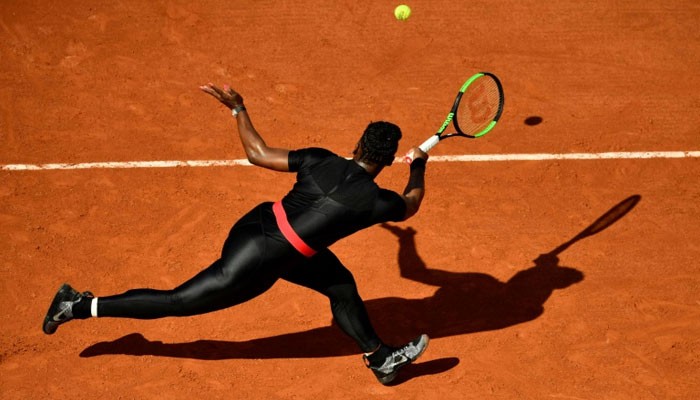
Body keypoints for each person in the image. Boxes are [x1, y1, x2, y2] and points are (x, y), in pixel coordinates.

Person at [42, 83, 430, 385]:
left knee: (340, 284)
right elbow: (411, 202)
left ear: (358, 145)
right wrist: (417, 165)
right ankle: (76, 306)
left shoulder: (320, 159)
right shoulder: (377, 202)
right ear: (387, 160)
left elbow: (257, 153)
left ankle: (380, 358)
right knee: (179, 301)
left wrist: (239, 108)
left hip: (257, 226)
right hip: (258, 259)